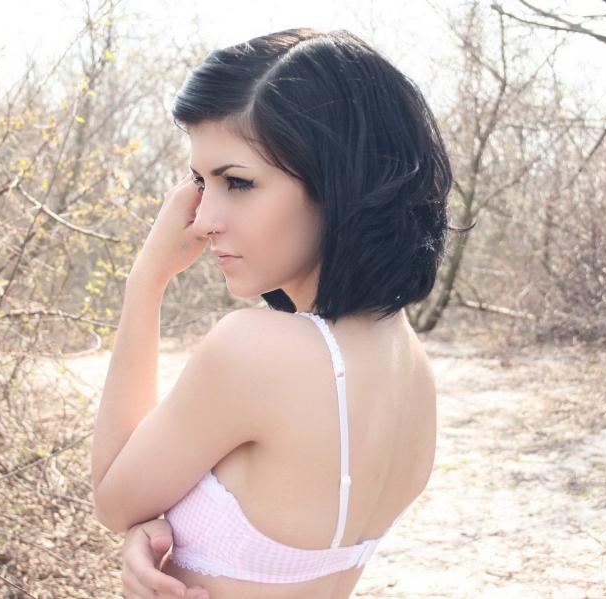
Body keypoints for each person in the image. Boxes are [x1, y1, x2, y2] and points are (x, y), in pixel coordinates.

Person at [92, 27, 463, 599]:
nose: (203, 219)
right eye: (200, 182)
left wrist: (146, 282)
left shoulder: (256, 350)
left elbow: (113, 499)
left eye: (238, 183)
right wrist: (161, 527)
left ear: (337, 183)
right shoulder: (409, 364)